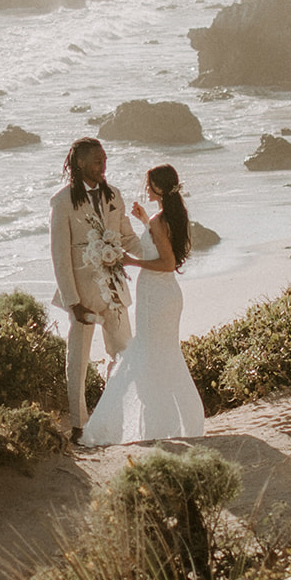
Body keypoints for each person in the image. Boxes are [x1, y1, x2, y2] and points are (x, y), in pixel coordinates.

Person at [79, 163, 205, 447]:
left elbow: (167, 263)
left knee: (149, 354)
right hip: (166, 296)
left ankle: (155, 424)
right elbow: (163, 242)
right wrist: (146, 221)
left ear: (159, 188)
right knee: (163, 355)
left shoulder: (161, 221)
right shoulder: (171, 216)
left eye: (149, 185)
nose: (146, 188)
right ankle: (176, 421)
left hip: (156, 297)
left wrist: (132, 260)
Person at [49, 137, 136, 441]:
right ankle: (78, 425)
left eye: (105, 160)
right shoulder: (62, 202)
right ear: (81, 163)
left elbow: (127, 237)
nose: (103, 166)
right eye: (97, 161)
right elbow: (60, 256)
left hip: (114, 293)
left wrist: (158, 252)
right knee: (78, 361)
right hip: (82, 297)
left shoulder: (114, 195)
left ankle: (120, 418)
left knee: (126, 354)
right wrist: (73, 303)